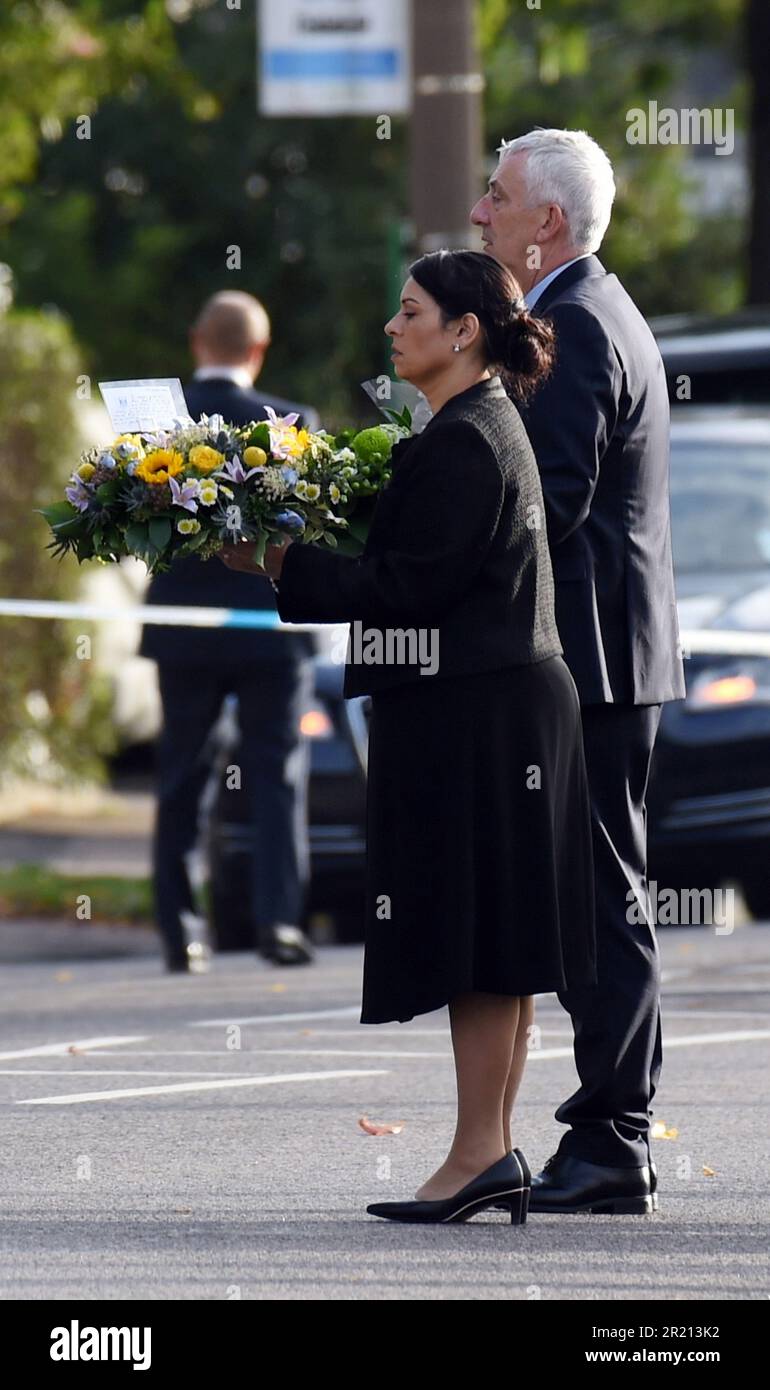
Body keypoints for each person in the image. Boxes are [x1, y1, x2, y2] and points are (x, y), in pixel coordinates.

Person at [221, 250, 597, 1225]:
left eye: (410, 310)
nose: (393, 327)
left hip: (483, 714)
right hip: (497, 706)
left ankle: (479, 1151)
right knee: (500, 937)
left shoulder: (467, 438)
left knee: (480, 940)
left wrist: (275, 561)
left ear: (462, 329)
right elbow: (414, 559)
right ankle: (492, 1149)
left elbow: (407, 590)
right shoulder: (468, 426)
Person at [471, 128, 686, 1215]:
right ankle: (609, 1130)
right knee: (597, 891)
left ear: (543, 219)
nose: (478, 213)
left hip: (591, 656)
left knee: (601, 896)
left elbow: (543, 507)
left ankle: (611, 1137)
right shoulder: (587, 309)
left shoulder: (569, 323)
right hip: (601, 651)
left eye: (495, 195)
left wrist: (427, 543)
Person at [139, 290, 320, 973]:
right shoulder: (290, 420)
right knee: (278, 776)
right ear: (258, 350)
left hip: (183, 627)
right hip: (269, 627)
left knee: (182, 775)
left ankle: (180, 931)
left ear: (196, 341)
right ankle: (278, 923)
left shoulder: (157, 423)